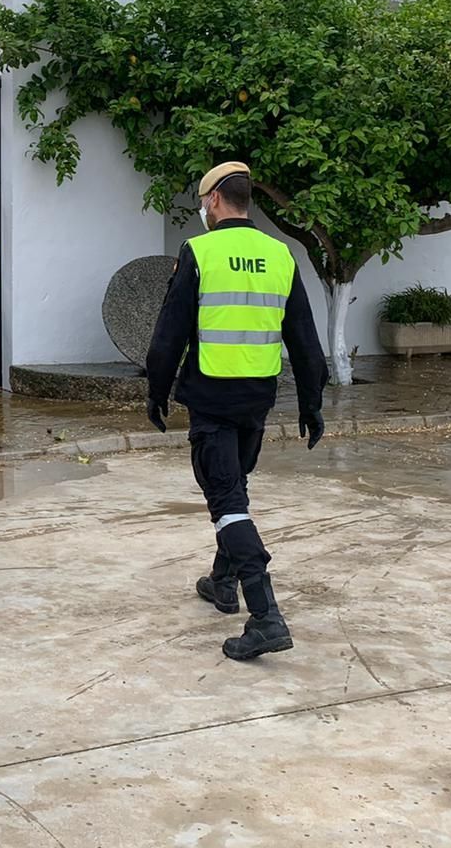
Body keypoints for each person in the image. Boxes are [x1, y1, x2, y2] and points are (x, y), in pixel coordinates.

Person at [145, 161, 328, 660]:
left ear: (214, 202)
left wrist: (156, 391)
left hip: (211, 401)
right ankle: (221, 581)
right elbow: (306, 342)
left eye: (204, 202)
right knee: (236, 487)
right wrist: (312, 404)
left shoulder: (199, 251)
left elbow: (169, 334)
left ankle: (266, 615)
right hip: (257, 400)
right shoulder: (281, 254)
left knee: (227, 502)